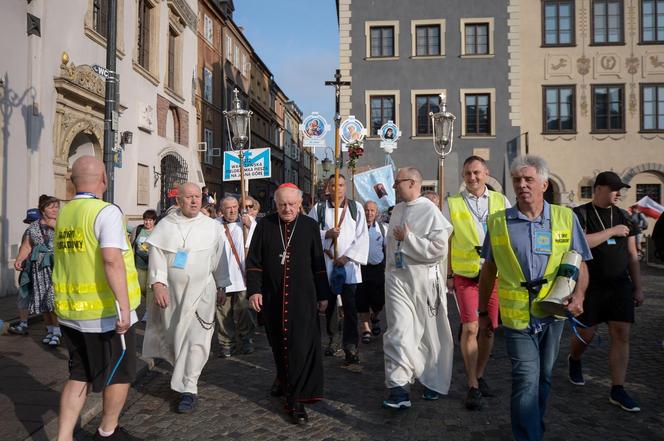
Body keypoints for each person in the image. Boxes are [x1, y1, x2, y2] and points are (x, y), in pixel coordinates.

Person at [477, 155, 591, 441]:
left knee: (544, 378)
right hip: (517, 316)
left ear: (544, 183)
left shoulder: (566, 217)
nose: (522, 185)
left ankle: (534, 425)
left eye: (528, 179)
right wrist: (482, 314)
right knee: (526, 378)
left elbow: (581, 263)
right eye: (517, 180)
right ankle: (528, 436)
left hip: (553, 313)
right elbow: (489, 269)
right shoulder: (498, 221)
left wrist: (579, 296)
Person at [52, 156, 142, 441]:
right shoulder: (106, 212)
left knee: (79, 373)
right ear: (104, 178)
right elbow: (111, 260)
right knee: (120, 374)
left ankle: (63, 437)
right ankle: (107, 432)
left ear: (72, 181)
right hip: (104, 314)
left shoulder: (64, 214)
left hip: (70, 311)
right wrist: (125, 309)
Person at [143, 182, 231, 413]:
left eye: (197, 196)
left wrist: (222, 285)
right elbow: (157, 256)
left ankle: (189, 388)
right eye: (189, 197)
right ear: (178, 200)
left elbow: (219, 258)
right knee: (176, 338)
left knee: (198, 340)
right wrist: (158, 284)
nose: (194, 201)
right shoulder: (166, 225)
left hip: (203, 292)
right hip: (173, 294)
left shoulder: (212, 227)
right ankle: (181, 374)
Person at [247, 183, 330, 424]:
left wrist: (323, 294)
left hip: (303, 298)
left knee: (299, 347)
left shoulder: (310, 226)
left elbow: (318, 264)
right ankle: (283, 379)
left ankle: (295, 401)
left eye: (292, 204)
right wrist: (254, 291)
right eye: (282, 204)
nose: (287, 208)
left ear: (300, 203)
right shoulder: (265, 225)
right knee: (278, 344)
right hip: (272, 297)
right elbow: (253, 261)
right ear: (276, 204)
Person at [568, 171, 644, 412]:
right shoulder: (580, 214)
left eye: (619, 189)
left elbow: (632, 255)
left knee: (621, 333)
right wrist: (611, 232)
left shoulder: (624, 216)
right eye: (613, 188)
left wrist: (638, 286)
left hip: (620, 284)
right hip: (589, 285)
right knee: (586, 335)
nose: (618, 193)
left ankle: (617, 389)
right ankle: (575, 359)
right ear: (598, 188)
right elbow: (578, 244)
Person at [382, 167, 454, 408]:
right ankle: (398, 388)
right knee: (398, 331)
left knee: (426, 333)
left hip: (422, 282)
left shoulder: (429, 211)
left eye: (397, 182)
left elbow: (438, 250)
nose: (394, 187)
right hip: (397, 280)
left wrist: (409, 240)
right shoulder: (398, 210)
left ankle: (429, 378)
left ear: (412, 182)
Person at [443, 156, 510, 410]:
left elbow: (508, 235)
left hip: (493, 275)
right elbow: (446, 240)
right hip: (466, 275)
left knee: (488, 329)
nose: (472, 178)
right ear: (463, 175)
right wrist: (448, 273)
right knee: (470, 328)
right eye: (468, 173)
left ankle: (480, 375)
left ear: (486, 173)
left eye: (477, 173)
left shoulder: (500, 201)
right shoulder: (453, 203)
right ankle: (471, 384)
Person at [308, 174, 369, 364]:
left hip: (348, 267)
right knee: (330, 307)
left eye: (341, 185)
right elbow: (308, 233)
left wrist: (347, 257)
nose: (338, 188)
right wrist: (326, 233)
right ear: (328, 188)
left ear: (345, 187)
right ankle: (333, 340)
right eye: (333, 185)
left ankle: (351, 345)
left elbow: (362, 236)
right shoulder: (318, 209)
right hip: (326, 265)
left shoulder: (355, 208)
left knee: (350, 308)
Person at [12, 196, 61, 345]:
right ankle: (50, 330)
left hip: (57, 267)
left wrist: (56, 227)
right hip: (39, 269)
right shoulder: (33, 227)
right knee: (42, 301)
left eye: (57, 207)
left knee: (53, 300)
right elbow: (27, 246)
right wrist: (19, 259)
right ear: (42, 209)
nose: (55, 209)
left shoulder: (63, 224)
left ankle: (58, 332)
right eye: (51, 207)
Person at [215, 196, 256, 357]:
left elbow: (257, 237)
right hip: (222, 278)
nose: (232, 210)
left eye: (234, 207)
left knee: (245, 311)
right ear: (221, 210)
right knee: (223, 313)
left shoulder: (246, 222)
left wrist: (250, 224)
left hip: (242, 277)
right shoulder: (215, 225)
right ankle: (226, 343)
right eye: (228, 208)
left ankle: (246, 339)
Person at [356, 201, 386, 343]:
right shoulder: (356, 227)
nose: (369, 213)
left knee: (379, 301)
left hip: (377, 269)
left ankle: (375, 317)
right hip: (360, 269)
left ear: (376, 212)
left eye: (372, 210)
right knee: (362, 301)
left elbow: (388, 248)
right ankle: (366, 329)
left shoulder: (383, 228)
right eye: (367, 210)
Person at [8, 208, 40, 336]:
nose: (32, 224)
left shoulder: (49, 231)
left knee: (47, 298)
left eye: (34, 221)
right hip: (28, 269)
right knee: (24, 295)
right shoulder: (28, 232)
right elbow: (24, 247)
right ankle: (23, 324)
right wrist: (19, 260)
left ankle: (53, 329)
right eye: (30, 221)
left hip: (42, 270)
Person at [131, 209, 157, 322]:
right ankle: (150, 305)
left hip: (152, 265)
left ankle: (149, 311)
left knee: (150, 288)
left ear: (154, 221)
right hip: (139, 265)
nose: (147, 222)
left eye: (150, 220)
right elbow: (130, 234)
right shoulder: (138, 229)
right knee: (141, 288)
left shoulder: (157, 231)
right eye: (146, 220)